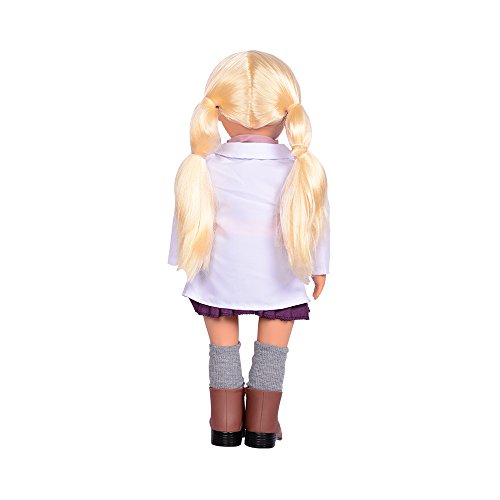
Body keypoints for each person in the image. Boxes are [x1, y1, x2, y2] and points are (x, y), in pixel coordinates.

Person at [167, 50, 330, 448]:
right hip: (279, 278)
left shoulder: (202, 166)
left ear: (219, 113)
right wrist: (319, 268)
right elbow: (316, 224)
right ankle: (262, 423)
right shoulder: (300, 169)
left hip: (218, 276)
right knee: (272, 351)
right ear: (286, 115)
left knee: (222, 349)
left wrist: (182, 260)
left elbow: (187, 219)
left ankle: (224, 422)